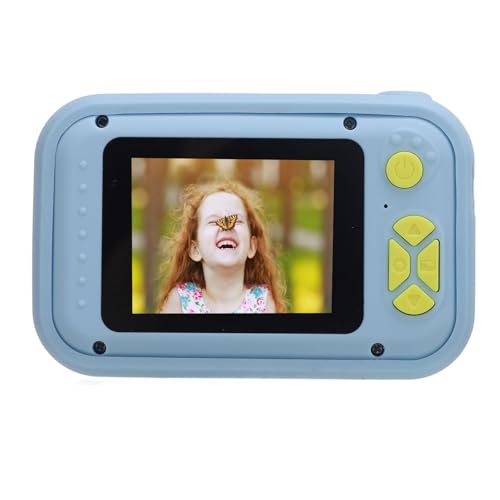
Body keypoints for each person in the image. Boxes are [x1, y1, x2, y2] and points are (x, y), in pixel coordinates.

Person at [157, 180, 286, 313]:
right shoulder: (179, 301)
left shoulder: (263, 302)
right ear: (195, 250)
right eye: (213, 221)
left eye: (237, 220)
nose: (227, 228)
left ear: (251, 247)